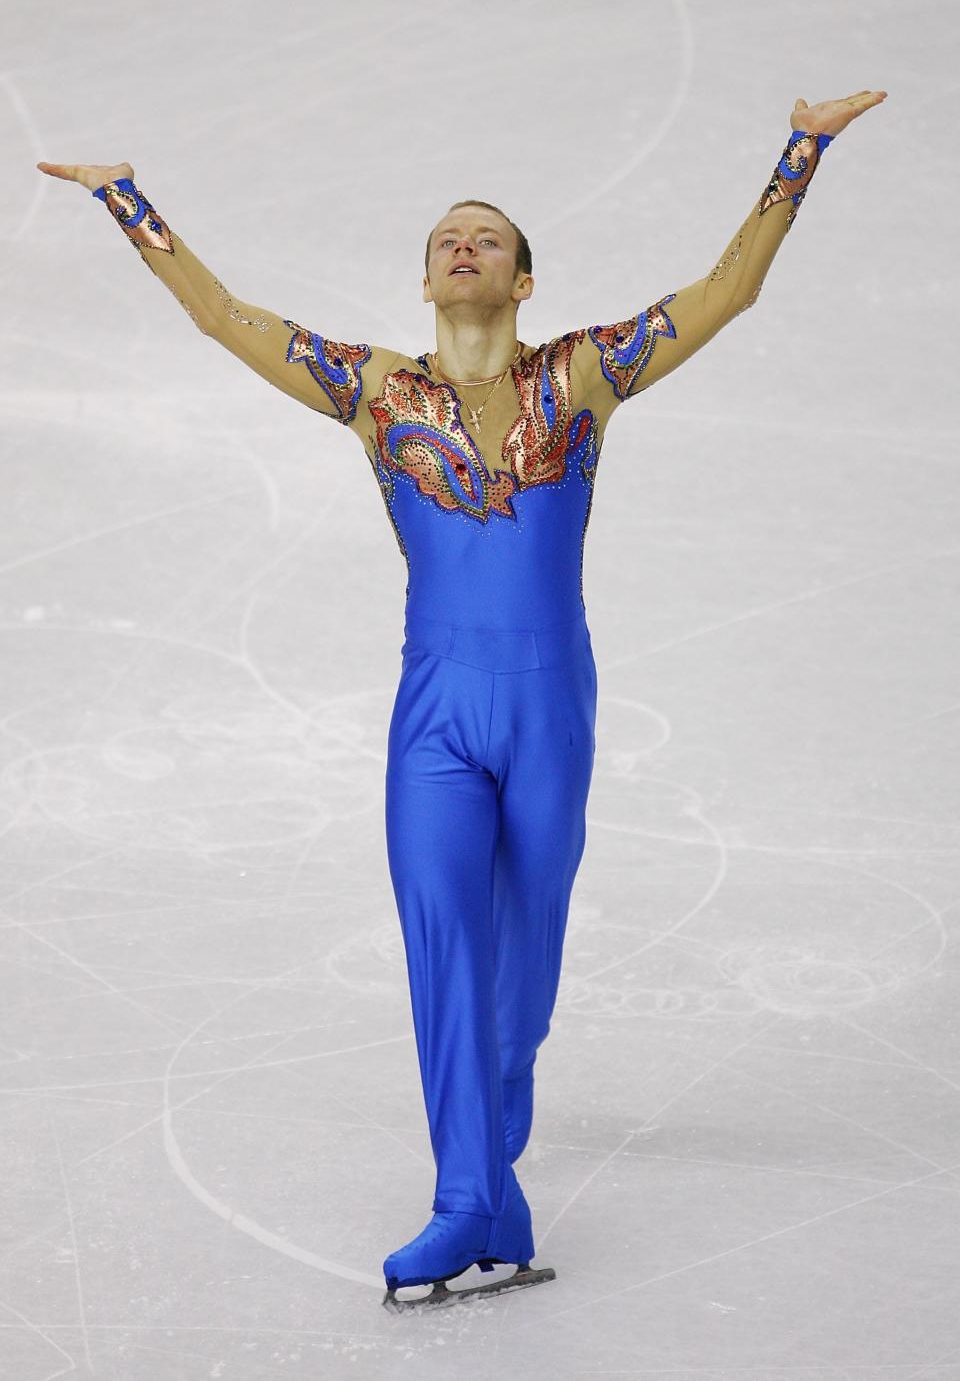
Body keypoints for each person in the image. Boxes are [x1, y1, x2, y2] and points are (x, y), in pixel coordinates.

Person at [37, 88, 887, 1311]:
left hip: (550, 715)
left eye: (487, 236)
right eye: (446, 237)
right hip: (434, 717)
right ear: (426, 281)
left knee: (520, 981)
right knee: (444, 953)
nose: (462, 244)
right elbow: (226, 318)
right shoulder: (376, 392)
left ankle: (496, 1185)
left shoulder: (584, 375)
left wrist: (799, 151)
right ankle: (462, 1204)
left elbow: (726, 291)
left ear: (523, 281)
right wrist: (130, 200)